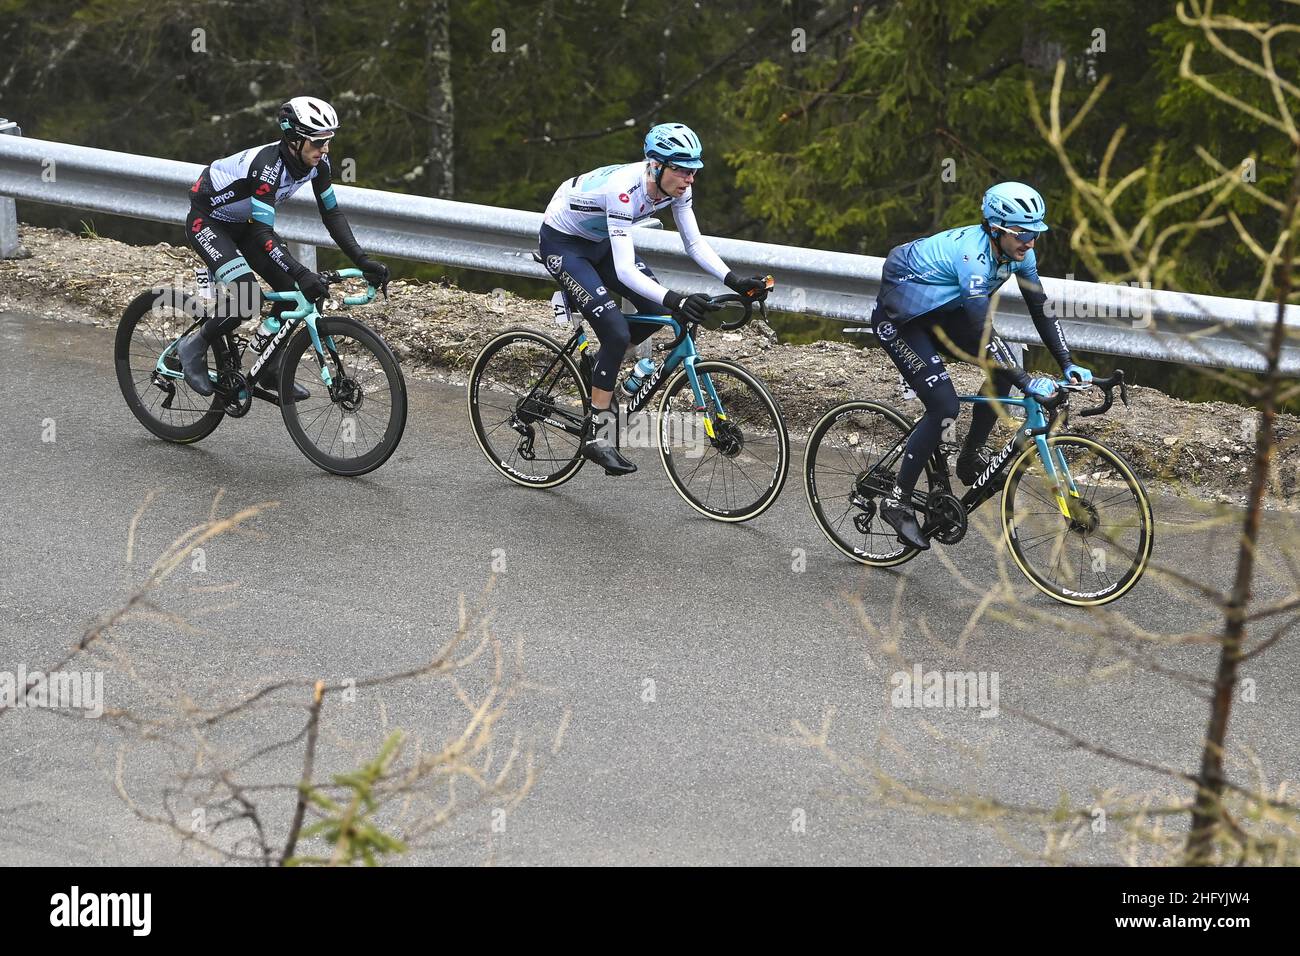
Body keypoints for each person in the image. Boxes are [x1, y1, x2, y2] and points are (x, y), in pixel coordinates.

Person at [870, 181, 1093, 550]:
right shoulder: (973, 256)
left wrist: (1067, 362)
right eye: (1022, 233)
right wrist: (1025, 380)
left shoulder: (1020, 254)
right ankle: (896, 499)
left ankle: (969, 457)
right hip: (902, 320)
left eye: (1036, 233)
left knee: (1000, 370)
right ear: (996, 228)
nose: (1030, 242)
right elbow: (979, 324)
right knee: (944, 406)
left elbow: (1040, 308)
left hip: (942, 312)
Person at [539, 122, 768, 475]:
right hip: (564, 243)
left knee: (656, 309)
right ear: (656, 165)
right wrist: (678, 298)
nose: (689, 179)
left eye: (693, 170)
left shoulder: (677, 189)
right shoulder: (625, 190)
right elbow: (627, 272)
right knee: (616, 329)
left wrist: (735, 280)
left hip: (598, 244)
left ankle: (602, 368)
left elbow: (693, 243)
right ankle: (597, 435)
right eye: (681, 169)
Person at [177, 96, 390, 399]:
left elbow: (331, 214)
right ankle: (194, 345)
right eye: (318, 142)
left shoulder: (318, 164)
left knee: (295, 292)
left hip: (246, 224)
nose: (325, 149)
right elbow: (265, 233)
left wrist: (362, 259)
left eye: (328, 141)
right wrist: (303, 271)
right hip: (209, 222)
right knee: (248, 298)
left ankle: (271, 367)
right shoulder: (268, 170)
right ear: (294, 139)